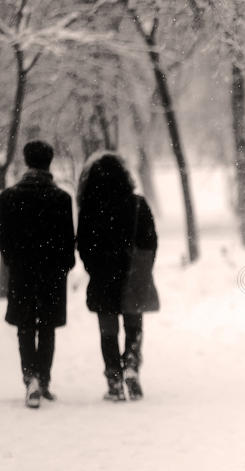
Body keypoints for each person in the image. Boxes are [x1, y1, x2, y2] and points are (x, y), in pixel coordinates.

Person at [0, 140, 76, 408]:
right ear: (49, 162)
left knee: (25, 327)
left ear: (27, 161)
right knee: (48, 327)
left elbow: (2, 237)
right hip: (52, 273)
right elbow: (68, 239)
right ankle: (43, 379)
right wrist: (64, 265)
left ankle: (29, 376)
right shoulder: (61, 198)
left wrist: (13, 261)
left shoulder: (9, 198)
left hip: (22, 272)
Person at [76, 152, 158, 402]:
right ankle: (132, 365)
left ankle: (114, 379)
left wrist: (94, 268)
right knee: (134, 325)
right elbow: (150, 241)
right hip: (132, 274)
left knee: (108, 331)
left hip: (103, 276)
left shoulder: (90, 208)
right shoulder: (137, 204)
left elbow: (83, 245)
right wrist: (143, 268)